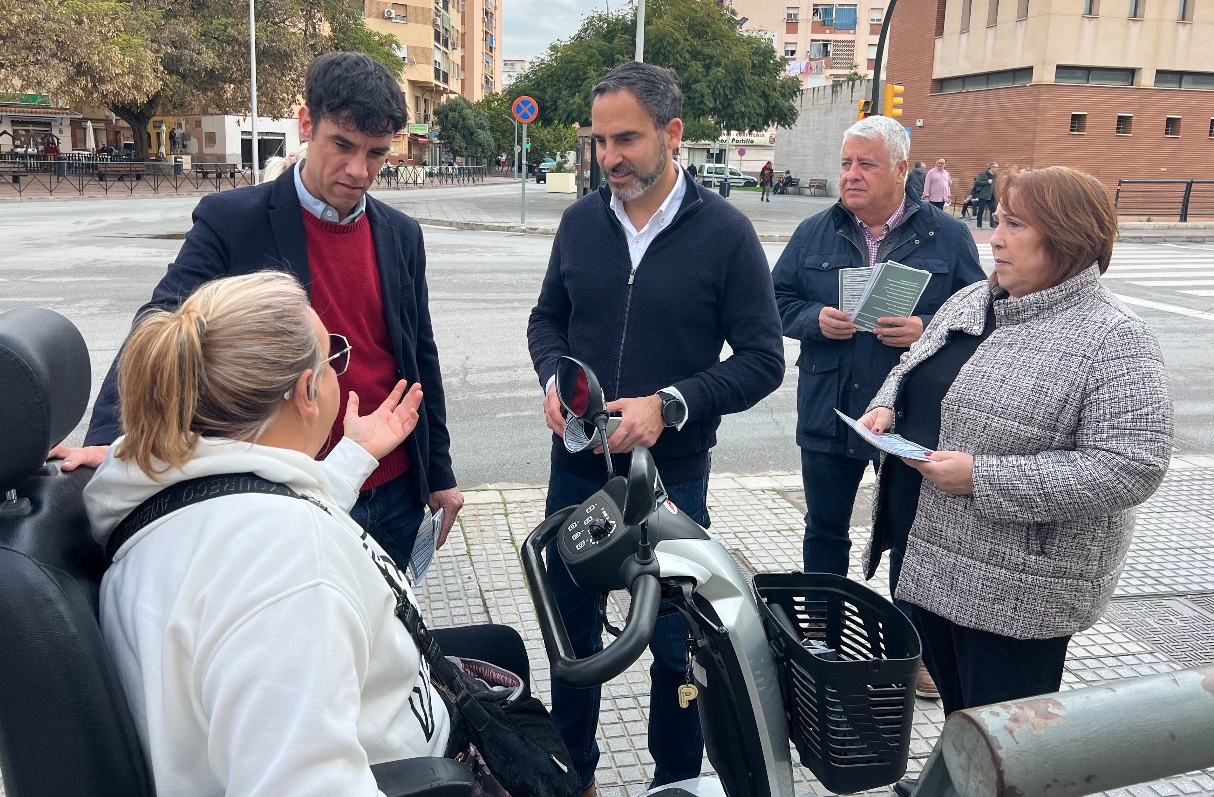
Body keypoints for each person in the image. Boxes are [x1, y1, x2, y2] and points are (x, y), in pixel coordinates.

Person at [84, 271, 531, 797]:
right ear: (307, 392)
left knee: (501, 645)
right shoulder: (289, 567)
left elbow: (255, 509)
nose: (339, 371)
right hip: (416, 769)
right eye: (332, 359)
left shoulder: (172, 491)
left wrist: (354, 456)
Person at [50, 52, 463, 570]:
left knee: (389, 633)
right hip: (289, 488)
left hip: (396, 483)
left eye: (376, 153)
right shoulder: (234, 220)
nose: (359, 170)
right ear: (307, 124)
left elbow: (420, 354)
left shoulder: (402, 234)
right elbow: (162, 322)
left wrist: (440, 474)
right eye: (343, 145)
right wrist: (115, 441)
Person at [857, 167, 1173, 795]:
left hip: (1018, 586)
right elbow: (917, 366)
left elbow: (1134, 463)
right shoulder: (973, 300)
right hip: (927, 554)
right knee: (961, 714)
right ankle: (950, 781)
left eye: (1015, 224)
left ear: (1068, 239)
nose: (994, 237)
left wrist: (985, 478)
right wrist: (889, 402)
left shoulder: (1114, 339)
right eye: (998, 219)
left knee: (1010, 741)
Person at [528, 61, 785, 796]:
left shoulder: (728, 234)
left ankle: (674, 779)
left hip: (672, 482)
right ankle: (571, 774)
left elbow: (765, 359)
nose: (610, 156)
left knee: (679, 645)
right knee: (571, 638)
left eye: (628, 138)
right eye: (601, 140)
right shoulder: (581, 221)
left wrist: (668, 405)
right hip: (575, 469)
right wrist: (554, 376)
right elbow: (547, 316)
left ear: (673, 133)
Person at [771, 115, 985, 697]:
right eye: (846, 163)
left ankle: (909, 646)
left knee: (910, 532)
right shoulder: (815, 232)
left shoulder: (947, 237)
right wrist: (813, 320)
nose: (852, 175)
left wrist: (927, 328)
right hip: (831, 406)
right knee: (824, 527)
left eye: (866, 164)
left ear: (900, 169)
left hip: (911, 415)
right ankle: (820, 629)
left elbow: (983, 316)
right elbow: (776, 299)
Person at [970, 161, 999, 228]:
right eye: (996, 167)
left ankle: (992, 224)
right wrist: (987, 182)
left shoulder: (996, 175)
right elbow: (977, 182)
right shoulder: (983, 174)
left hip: (992, 195)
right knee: (981, 210)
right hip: (983, 195)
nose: (997, 169)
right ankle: (979, 224)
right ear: (992, 167)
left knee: (993, 209)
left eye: (998, 167)